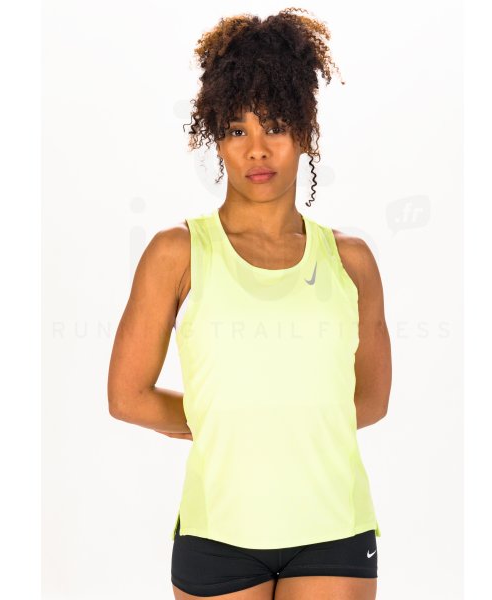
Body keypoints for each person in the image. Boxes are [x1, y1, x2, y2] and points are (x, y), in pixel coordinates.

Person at [107, 8, 392, 599]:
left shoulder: (352, 260)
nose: (257, 151)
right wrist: (226, 422)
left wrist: (277, 419)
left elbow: (371, 399)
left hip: (335, 528)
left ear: (305, 132)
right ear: (216, 138)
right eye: (237, 131)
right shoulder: (177, 253)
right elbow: (127, 396)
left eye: (275, 127)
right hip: (219, 531)